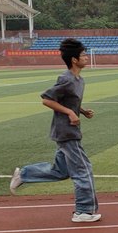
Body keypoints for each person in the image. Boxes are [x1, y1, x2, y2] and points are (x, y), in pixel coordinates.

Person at [9, 38, 101, 223]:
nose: (86, 57)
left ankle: (25, 174)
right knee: (83, 169)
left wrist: (82, 111)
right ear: (74, 59)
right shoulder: (66, 79)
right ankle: (83, 211)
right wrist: (70, 113)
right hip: (66, 132)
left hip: (70, 130)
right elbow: (47, 99)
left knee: (61, 171)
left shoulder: (79, 80)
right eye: (83, 55)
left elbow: (69, 100)